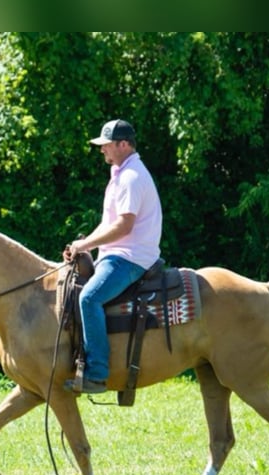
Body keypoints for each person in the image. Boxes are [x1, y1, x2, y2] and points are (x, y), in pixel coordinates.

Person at [63, 119, 163, 394]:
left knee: (89, 298)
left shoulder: (131, 177)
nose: (102, 150)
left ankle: (96, 375)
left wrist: (86, 247)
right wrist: (84, 245)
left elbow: (124, 226)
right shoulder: (120, 173)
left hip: (129, 258)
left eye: (106, 144)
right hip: (117, 254)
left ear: (123, 144)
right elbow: (109, 222)